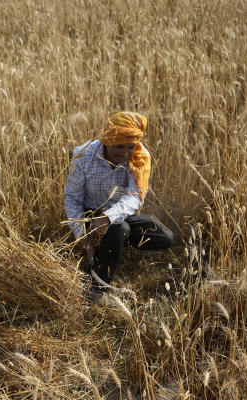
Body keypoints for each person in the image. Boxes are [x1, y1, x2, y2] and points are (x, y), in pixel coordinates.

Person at [64, 111, 174, 293]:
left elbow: (135, 198)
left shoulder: (139, 158)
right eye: (119, 146)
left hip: (119, 214)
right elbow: (72, 199)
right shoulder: (83, 155)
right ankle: (98, 288)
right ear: (107, 141)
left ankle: (109, 246)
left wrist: (108, 218)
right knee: (120, 229)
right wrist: (81, 235)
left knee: (164, 237)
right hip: (91, 215)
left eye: (130, 147)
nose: (125, 153)